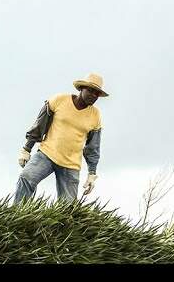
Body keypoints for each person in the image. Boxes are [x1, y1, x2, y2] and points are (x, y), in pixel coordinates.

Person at [14, 73, 109, 204]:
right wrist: (26, 149)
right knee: (26, 177)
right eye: (91, 91)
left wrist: (92, 173)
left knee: (68, 206)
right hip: (47, 155)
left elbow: (93, 147)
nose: (93, 95)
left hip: (71, 165)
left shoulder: (95, 115)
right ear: (81, 88)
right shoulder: (59, 100)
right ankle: (18, 212)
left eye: (97, 94)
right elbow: (39, 125)